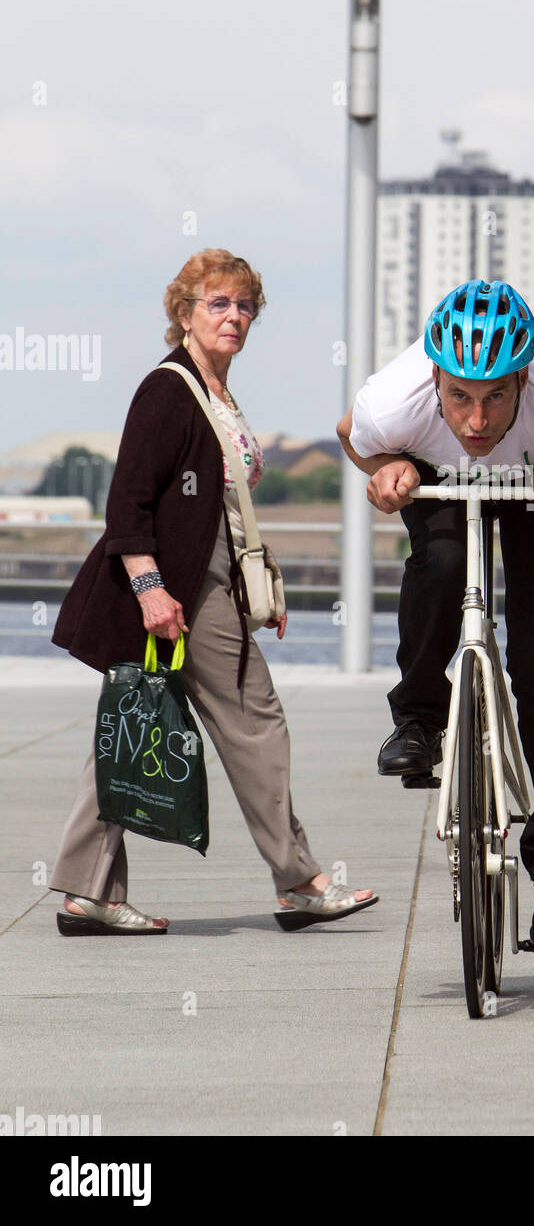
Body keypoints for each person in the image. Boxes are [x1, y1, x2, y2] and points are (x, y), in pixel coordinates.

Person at [49, 248, 377, 933]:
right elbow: (128, 504)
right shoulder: (168, 390)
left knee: (129, 731)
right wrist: (151, 591)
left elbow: (219, 508)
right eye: (217, 304)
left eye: (245, 305)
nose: (234, 316)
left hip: (207, 583)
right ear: (184, 313)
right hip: (179, 593)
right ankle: (299, 880)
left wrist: (263, 584)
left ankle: (88, 891)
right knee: (256, 722)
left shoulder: (216, 393)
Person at [336, 280, 534, 951]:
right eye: (459, 395)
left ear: (524, 380)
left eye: (496, 397)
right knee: (437, 568)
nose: (477, 419)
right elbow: (352, 436)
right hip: (436, 473)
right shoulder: (394, 400)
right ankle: (419, 721)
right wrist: (386, 467)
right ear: (434, 377)